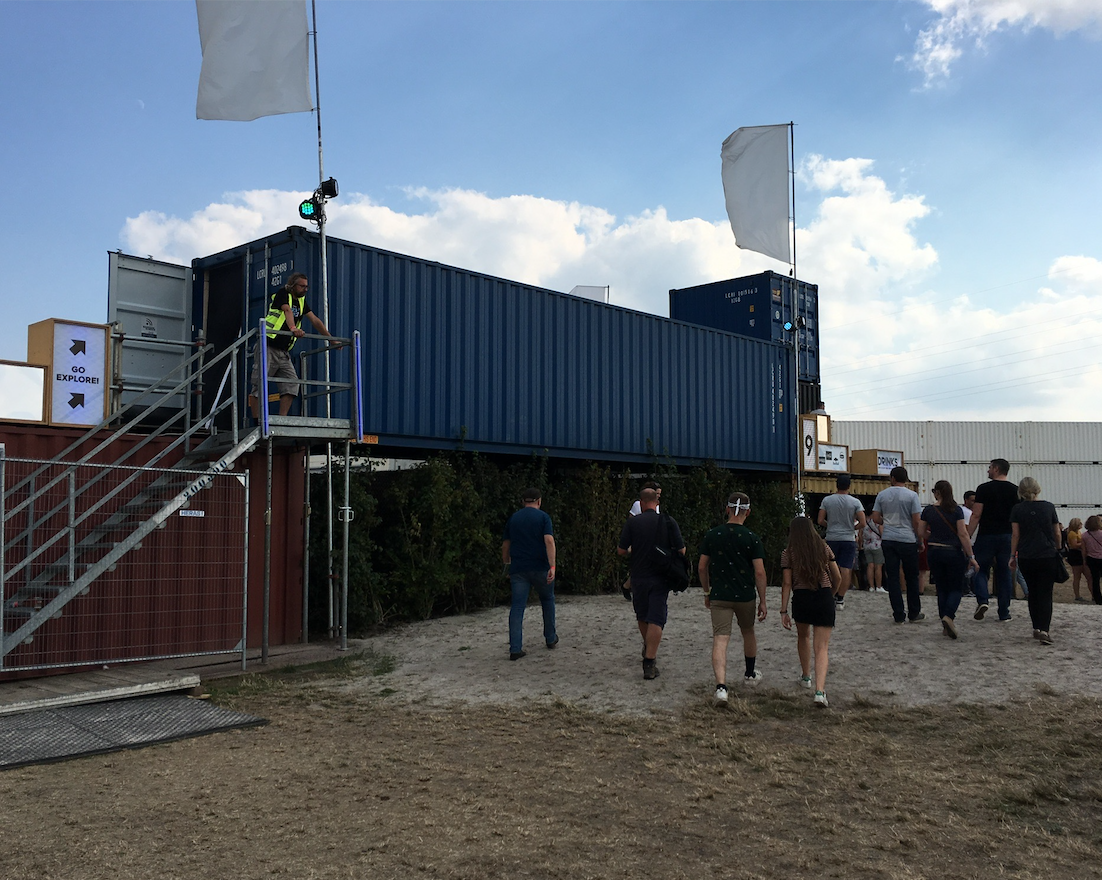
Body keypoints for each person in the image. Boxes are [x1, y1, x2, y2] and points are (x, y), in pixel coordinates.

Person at [698, 492, 767, 706]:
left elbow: (702, 567)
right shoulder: (752, 538)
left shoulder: (712, 535)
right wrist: (763, 600)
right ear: (748, 512)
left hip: (720, 595)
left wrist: (707, 592)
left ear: (727, 509)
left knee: (720, 639)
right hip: (745, 595)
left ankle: (721, 687)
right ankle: (749, 673)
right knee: (748, 632)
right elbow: (759, 572)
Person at [618, 487, 685, 680]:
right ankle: (649, 661)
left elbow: (621, 550)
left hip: (638, 577)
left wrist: (634, 550)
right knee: (656, 618)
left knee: (642, 615)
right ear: (657, 502)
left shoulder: (633, 523)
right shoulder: (668, 521)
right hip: (661, 577)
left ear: (641, 502)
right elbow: (681, 550)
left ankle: (648, 647)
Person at [249, 273, 338, 417]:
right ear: (292, 285)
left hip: (283, 351)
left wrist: (331, 339)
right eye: (302, 286)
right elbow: (287, 310)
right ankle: (257, 421)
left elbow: (315, 320)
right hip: (268, 345)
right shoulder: (283, 294)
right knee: (259, 384)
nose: (305, 289)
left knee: (292, 383)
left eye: (307, 287)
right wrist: (293, 328)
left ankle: (282, 419)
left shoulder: (302, 301)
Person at [779, 516, 841, 708]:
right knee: (821, 647)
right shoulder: (823, 548)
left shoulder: (788, 553)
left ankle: (806, 676)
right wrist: (831, 593)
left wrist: (783, 610)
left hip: (801, 597)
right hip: (823, 595)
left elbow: (787, 583)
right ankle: (820, 691)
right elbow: (837, 576)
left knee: (803, 637)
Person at [501, 487, 558, 661]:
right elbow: (549, 541)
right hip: (540, 567)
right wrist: (552, 566)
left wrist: (507, 562)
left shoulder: (514, 518)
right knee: (547, 600)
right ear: (539, 501)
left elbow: (506, 544)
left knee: (517, 607)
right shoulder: (543, 517)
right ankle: (550, 638)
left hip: (519, 568)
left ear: (522, 501)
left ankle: (515, 648)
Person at [919, 480, 979, 639]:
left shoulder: (928, 510)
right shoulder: (956, 510)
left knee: (941, 588)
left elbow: (920, 531)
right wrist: (971, 556)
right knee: (955, 588)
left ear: (937, 492)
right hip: (953, 552)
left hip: (934, 551)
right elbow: (963, 534)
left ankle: (945, 625)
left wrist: (933, 537)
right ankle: (949, 616)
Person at [1009, 477, 1062, 646]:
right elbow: (1057, 532)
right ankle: (1045, 629)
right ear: (1038, 489)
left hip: (1027, 555)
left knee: (1033, 592)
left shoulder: (1017, 509)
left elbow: (1016, 535)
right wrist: (1058, 548)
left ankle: (1036, 627)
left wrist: (1012, 555)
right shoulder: (1048, 507)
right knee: (1045, 593)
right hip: (1047, 554)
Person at [968, 458, 1019, 622]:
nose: (988, 470)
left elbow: (976, 515)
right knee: (1004, 573)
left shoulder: (983, 489)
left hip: (987, 535)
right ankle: (1004, 612)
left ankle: (983, 599)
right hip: (1007, 536)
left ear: (996, 469)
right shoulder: (1015, 490)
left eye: (990, 467)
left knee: (980, 569)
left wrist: (967, 535)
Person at [872, 466, 924, 624]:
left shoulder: (882, 495)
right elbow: (916, 521)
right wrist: (920, 540)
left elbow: (875, 517)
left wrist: (887, 521)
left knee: (893, 577)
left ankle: (898, 614)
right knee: (912, 577)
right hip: (907, 539)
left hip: (889, 538)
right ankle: (914, 612)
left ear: (893, 478)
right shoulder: (912, 495)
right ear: (906, 479)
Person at [816, 475, 866, 610]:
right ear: (849, 486)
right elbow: (863, 522)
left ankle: (830, 594)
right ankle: (840, 598)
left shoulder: (827, 500)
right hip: (848, 538)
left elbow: (820, 520)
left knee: (830, 567)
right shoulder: (855, 502)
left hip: (832, 537)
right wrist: (852, 528)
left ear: (836, 485)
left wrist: (830, 526)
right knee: (846, 568)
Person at [622, 481, 661, 599]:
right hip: (640, 538)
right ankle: (628, 586)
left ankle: (629, 586)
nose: (659, 496)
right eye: (657, 493)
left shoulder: (657, 505)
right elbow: (631, 520)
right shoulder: (638, 505)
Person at [1081, 515, 1102, 605]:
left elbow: (1084, 550)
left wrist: (1084, 560)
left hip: (1091, 558)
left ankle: (1098, 599)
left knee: (1095, 579)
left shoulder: (1084, 535)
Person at [862, 514, 886, 592]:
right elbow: (882, 533)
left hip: (867, 545)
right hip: (877, 545)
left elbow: (861, 534)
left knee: (870, 566)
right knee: (878, 566)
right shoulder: (877, 521)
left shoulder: (864, 521)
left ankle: (871, 586)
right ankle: (878, 586)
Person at [1066, 518, 1088, 602]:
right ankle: (1077, 595)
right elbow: (1074, 545)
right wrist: (1084, 543)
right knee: (1077, 576)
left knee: (1087, 575)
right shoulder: (1072, 534)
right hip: (1075, 554)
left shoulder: (1078, 532)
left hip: (1079, 553)